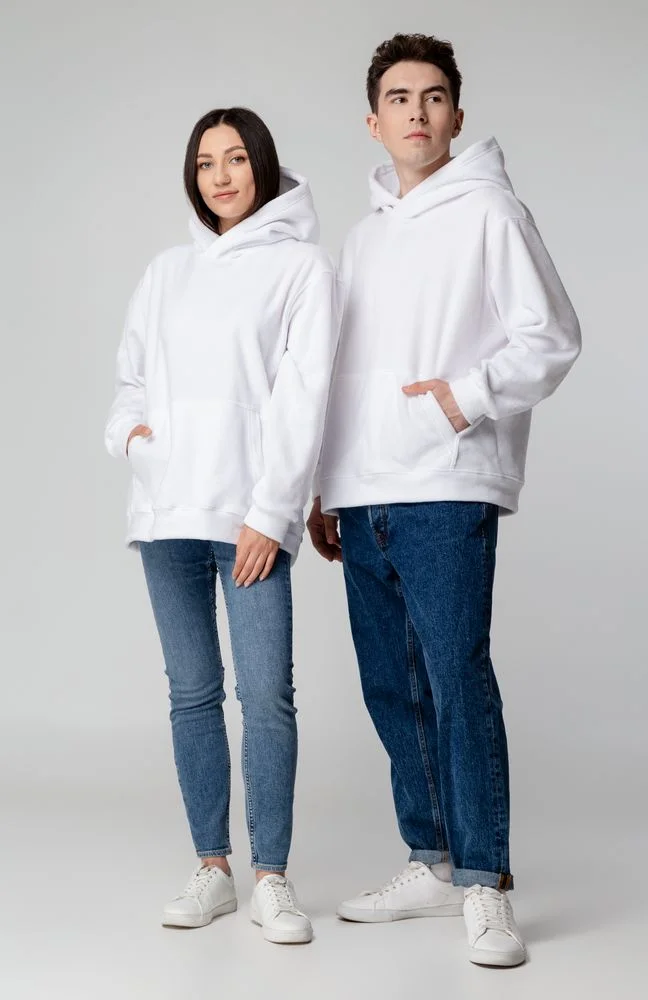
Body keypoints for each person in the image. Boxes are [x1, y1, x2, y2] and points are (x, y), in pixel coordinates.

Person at [307, 34, 581, 967]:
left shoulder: (491, 210)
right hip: (363, 492)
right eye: (399, 97)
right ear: (373, 121)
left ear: (457, 115)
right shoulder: (362, 238)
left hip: (446, 481)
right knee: (393, 683)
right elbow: (341, 373)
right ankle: (431, 858)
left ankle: (485, 880)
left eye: (432, 97)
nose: (416, 112)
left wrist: (460, 400)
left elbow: (551, 335)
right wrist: (324, 483)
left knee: (457, 677)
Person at [105, 107, 338, 943]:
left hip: (248, 515)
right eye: (206, 163)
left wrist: (271, 514)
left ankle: (272, 875)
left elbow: (304, 397)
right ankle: (213, 867)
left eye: (236, 158)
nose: (221, 176)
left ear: (262, 165)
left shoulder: (302, 268)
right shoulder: (167, 270)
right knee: (192, 694)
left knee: (266, 694)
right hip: (166, 510)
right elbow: (130, 380)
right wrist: (135, 442)